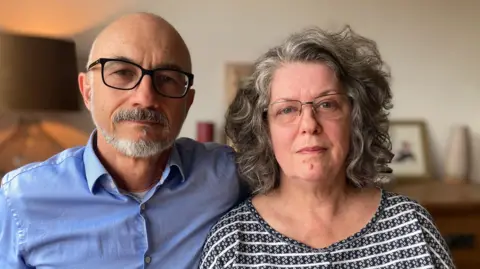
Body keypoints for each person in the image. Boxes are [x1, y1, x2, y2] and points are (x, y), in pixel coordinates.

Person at [0, 13, 245, 268]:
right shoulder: (21, 199)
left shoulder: (227, 174)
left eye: (167, 79)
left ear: (187, 102)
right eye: (123, 72)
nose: (145, 97)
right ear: (87, 91)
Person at [199, 26, 455, 269]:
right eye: (287, 109)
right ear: (264, 129)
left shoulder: (411, 225)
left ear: (355, 118)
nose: (309, 125)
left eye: (327, 104)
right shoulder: (232, 242)